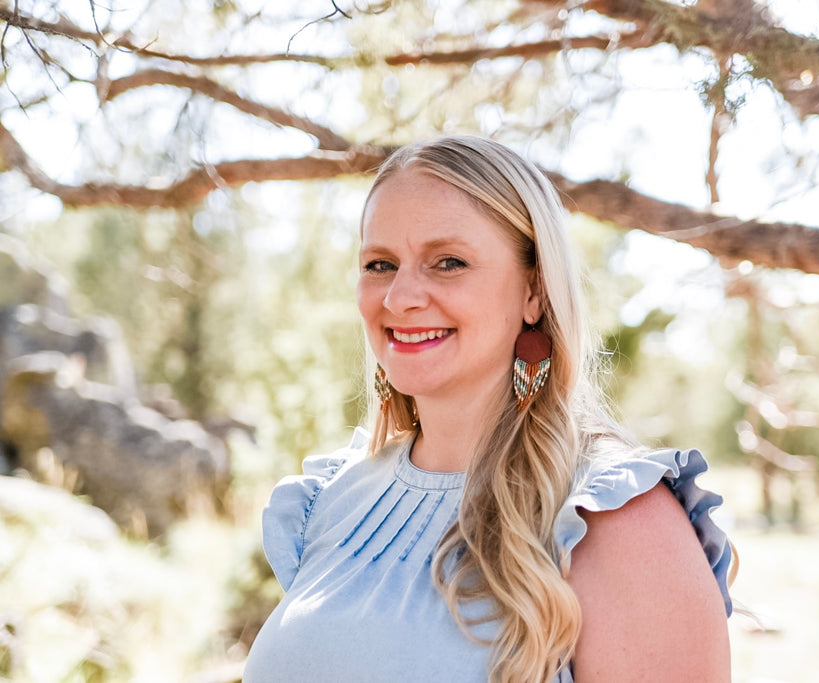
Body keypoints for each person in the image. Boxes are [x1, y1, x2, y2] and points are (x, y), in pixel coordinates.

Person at [243, 136, 733, 682]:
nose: (399, 297)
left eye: (448, 262)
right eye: (380, 264)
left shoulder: (615, 521)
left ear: (534, 292)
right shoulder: (329, 500)